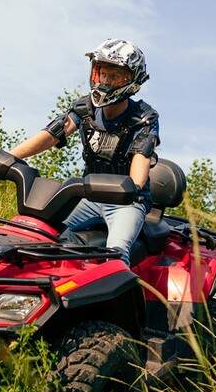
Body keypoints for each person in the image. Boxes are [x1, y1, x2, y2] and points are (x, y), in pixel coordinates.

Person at [10, 38, 159, 266]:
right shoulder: (85, 107)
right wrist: (10, 156)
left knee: (116, 254)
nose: (106, 81)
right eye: (102, 73)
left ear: (131, 79)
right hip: (89, 196)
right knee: (39, 230)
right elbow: (53, 134)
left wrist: (133, 187)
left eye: (115, 76)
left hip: (127, 202)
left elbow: (139, 166)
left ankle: (117, 298)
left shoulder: (143, 118)